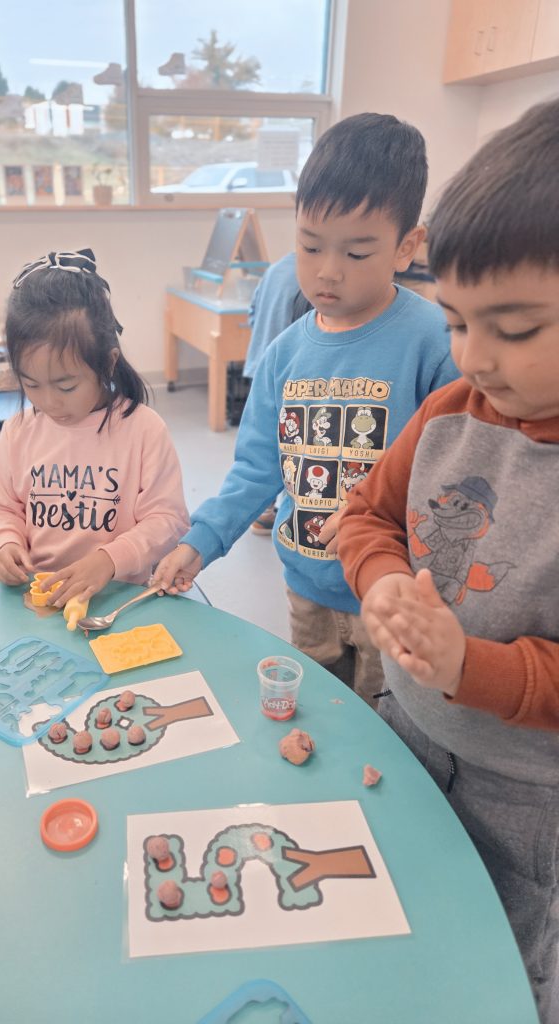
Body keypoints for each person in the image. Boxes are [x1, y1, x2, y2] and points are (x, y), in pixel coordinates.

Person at [337, 99, 559, 1020]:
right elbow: (365, 514)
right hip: (405, 729)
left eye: (516, 329)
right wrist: (384, 579)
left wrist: (472, 665)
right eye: (458, 322)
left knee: (497, 966)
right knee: (393, 914)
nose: (476, 358)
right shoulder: (449, 412)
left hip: (525, 797)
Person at [153, 113, 458, 703]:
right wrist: (200, 541)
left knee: (386, 721)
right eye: (310, 245)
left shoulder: (434, 341)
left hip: (393, 592)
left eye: (357, 252)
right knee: (317, 710)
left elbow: (455, 471)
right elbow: (255, 470)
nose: (327, 270)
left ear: (406, 247)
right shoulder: (284, 354)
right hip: (306, 585)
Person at [0, 248, 190, 608]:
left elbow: (167, 520)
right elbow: (3, 508)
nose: (49, 402)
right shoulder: (17, 432)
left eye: (66, 386)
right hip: (39, 596)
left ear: (108, 363)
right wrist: (6, 543)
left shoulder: (143, 430)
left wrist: (109, 560)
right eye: (31, 384)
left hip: (118, 597)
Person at [244, 253, 313, 535]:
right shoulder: (311, 280)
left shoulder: (275, 268)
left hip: (261, 362)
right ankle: (284, 509)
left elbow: (252, 313)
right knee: (290, 441)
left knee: (263, 440)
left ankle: (262, 510)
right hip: (289, 373)